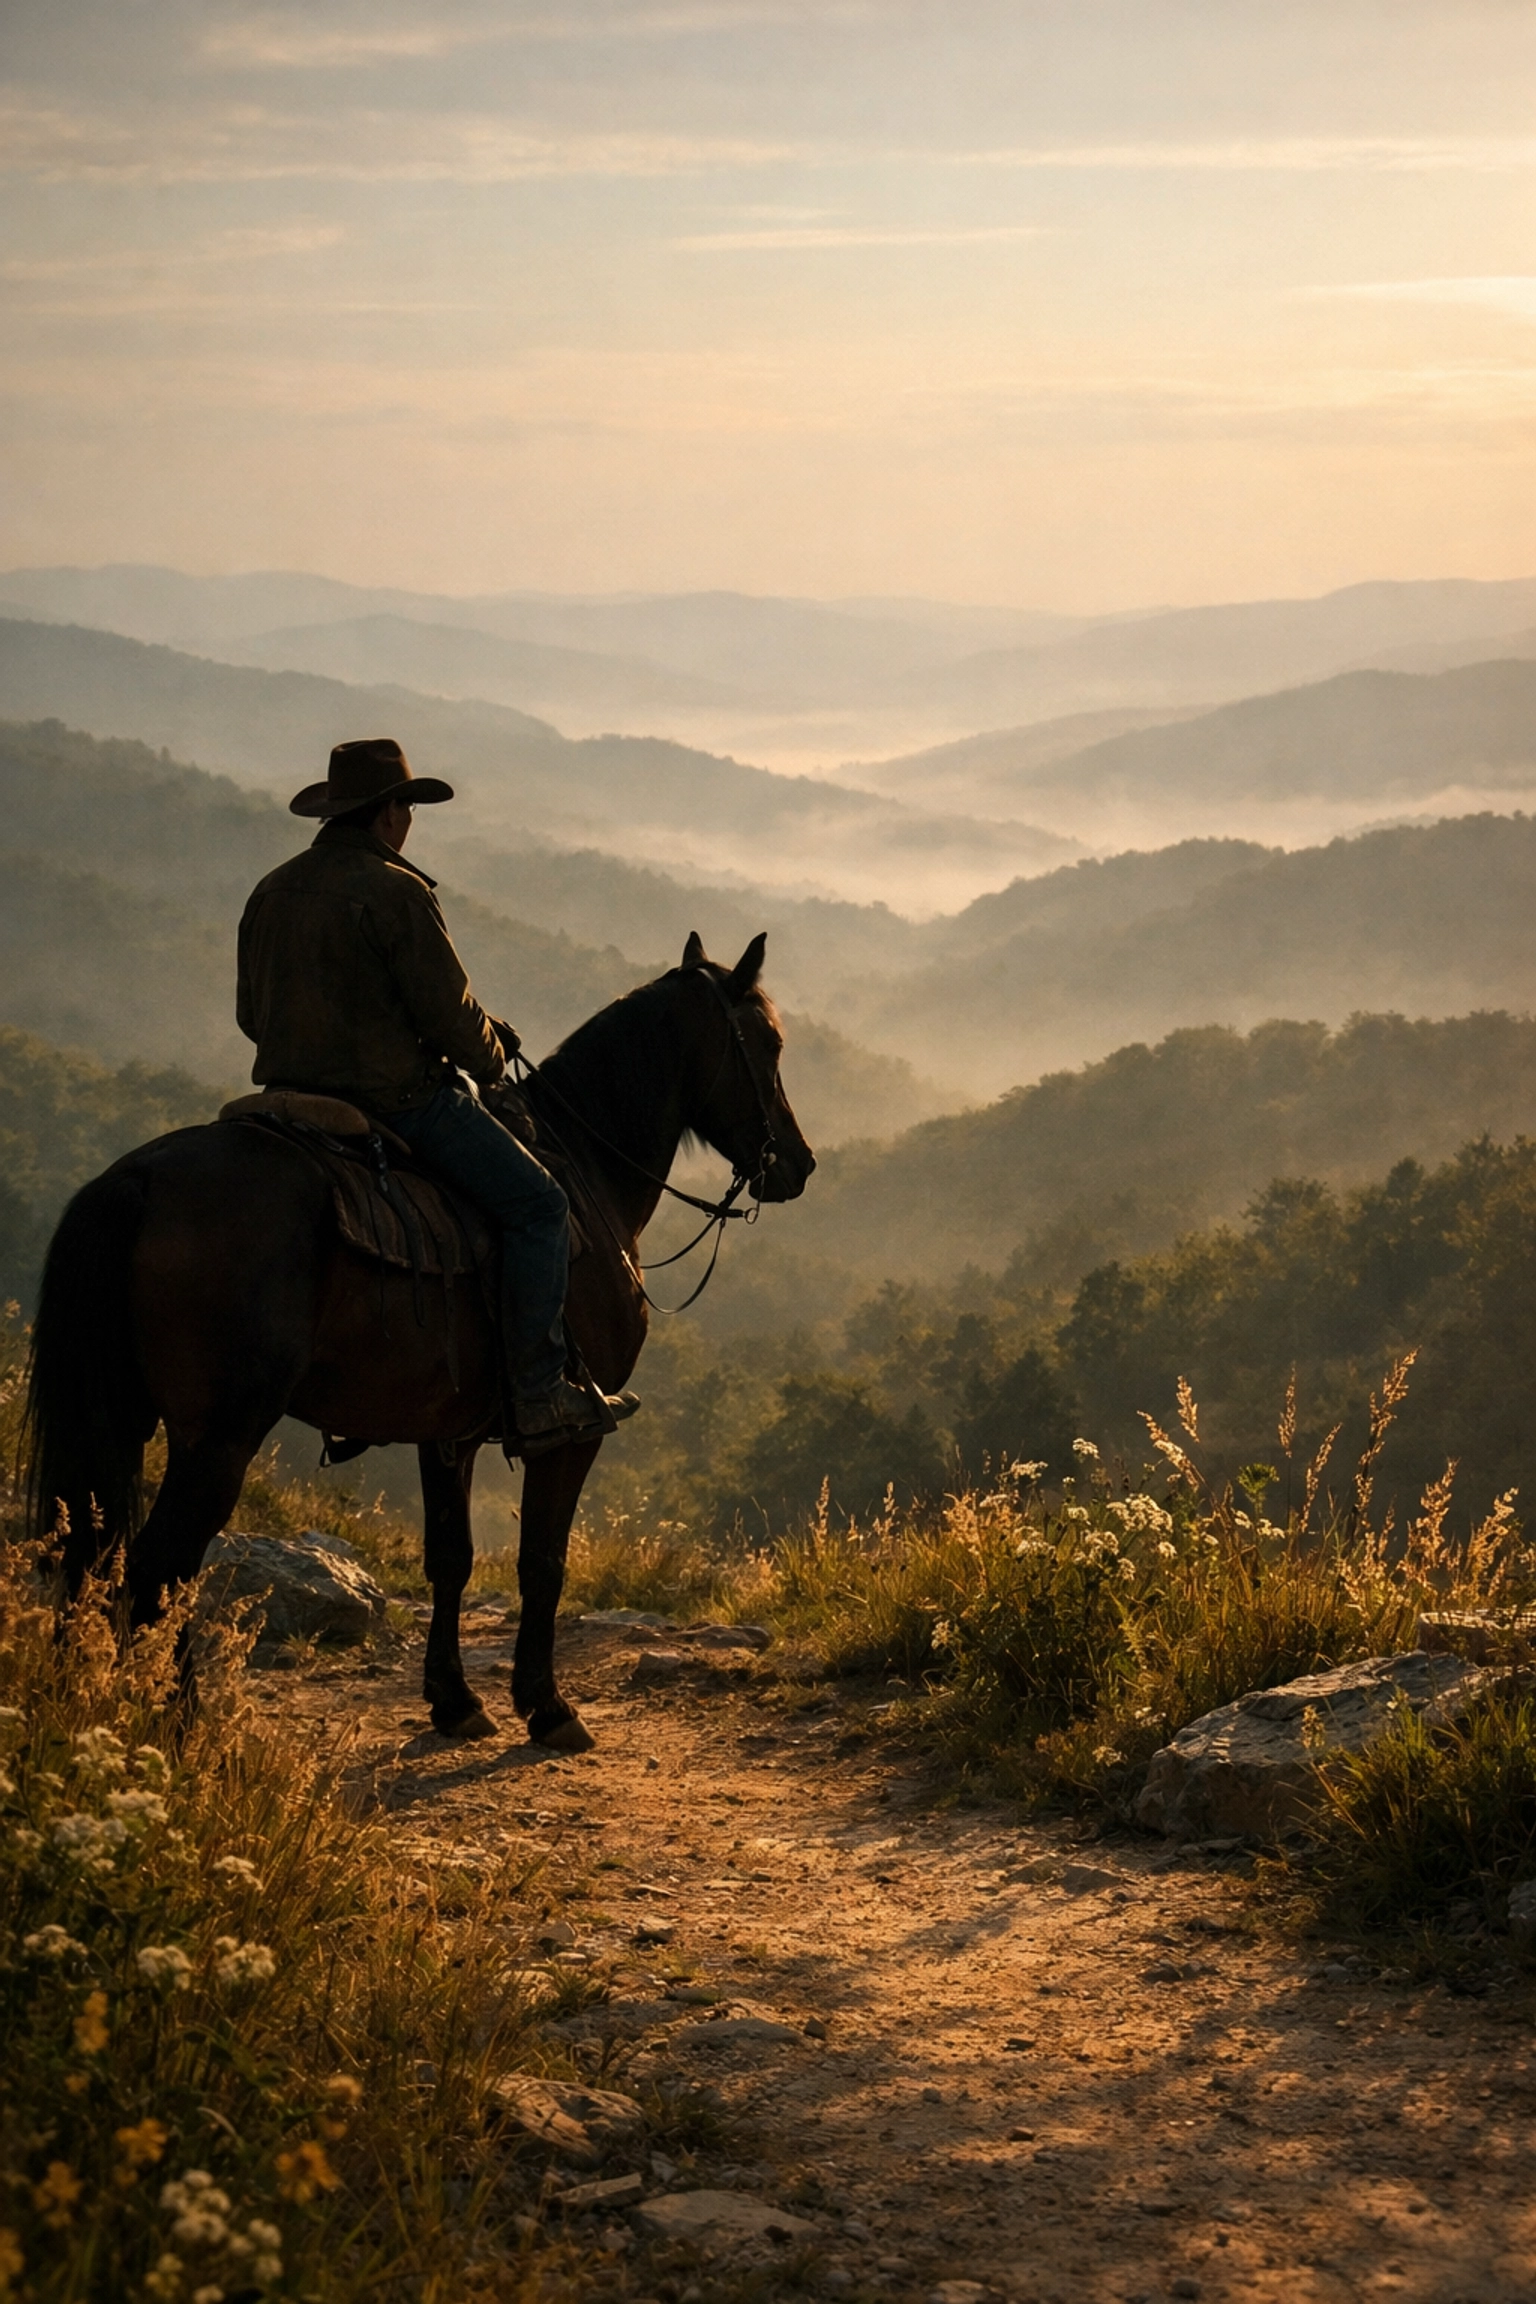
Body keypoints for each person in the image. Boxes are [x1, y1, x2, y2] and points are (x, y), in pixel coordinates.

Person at [236, 735, 637, 1456]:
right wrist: (491, 1057)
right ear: (389, 813)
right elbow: (451, 1018)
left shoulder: (271, 888)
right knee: (540, 1206)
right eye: (408, 808)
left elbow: (249, 1015)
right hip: (398, 1101)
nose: (409, 821)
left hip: (284, 1096)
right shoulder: (399, 893)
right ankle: (540, 1388)